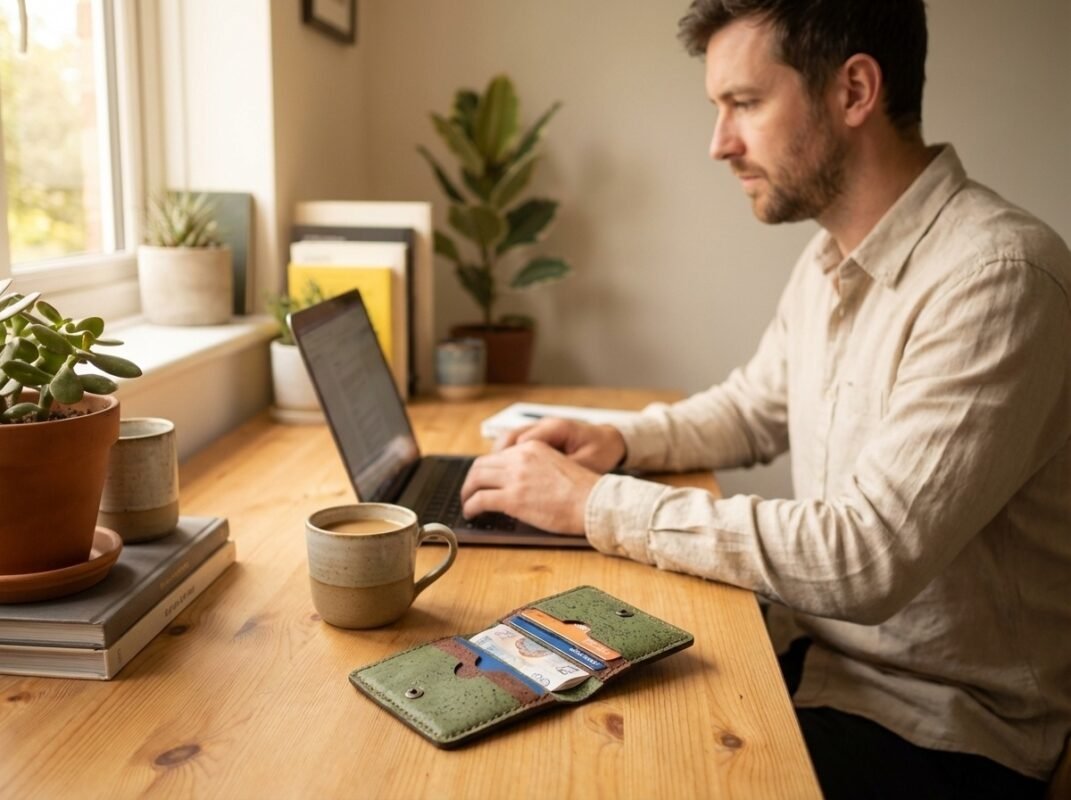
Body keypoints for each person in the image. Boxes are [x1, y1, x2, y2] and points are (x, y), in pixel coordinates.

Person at [459, 0, 1071, 796]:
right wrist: (619, 442)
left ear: (853, 91)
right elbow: (754, 408)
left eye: (743, 104)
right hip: (813, 658)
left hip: (943, 730)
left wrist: (595, 505)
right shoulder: (831, 254)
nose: (719, 144)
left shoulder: (996, 279)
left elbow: (866, 557)